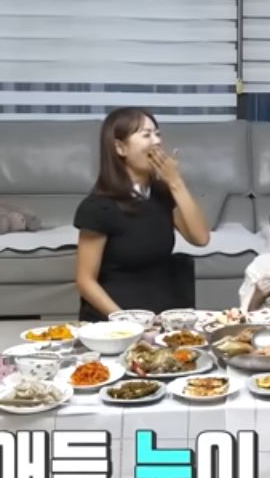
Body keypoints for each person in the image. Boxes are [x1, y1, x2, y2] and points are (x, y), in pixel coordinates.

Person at [74, 107, 210, 322]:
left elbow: (200, 238)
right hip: (116, 318)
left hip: (162, 315)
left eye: (157, 134)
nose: (156, 142)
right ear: (120, 148)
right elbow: (85, 281)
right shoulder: (98, 207)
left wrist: (175, 182)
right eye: (146, 135)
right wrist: (127, 320)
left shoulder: (161, 194)